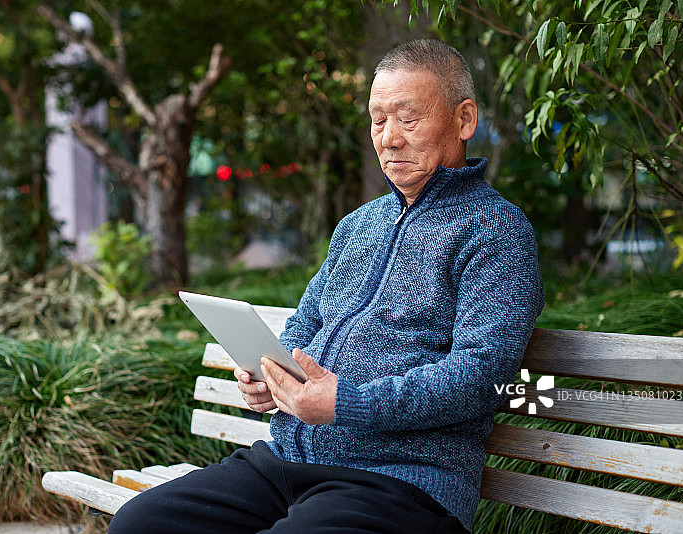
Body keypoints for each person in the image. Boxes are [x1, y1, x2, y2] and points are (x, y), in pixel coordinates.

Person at [109, 38, 544, 534]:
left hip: (398, 483)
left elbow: (482, 376)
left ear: (464, 120)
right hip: (285, 463)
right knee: (141, 525)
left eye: (408, 118)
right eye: (378, 120)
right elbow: (306, 325)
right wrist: (272, 373)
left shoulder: (497, 231)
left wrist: (347, 403)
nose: (389, 138)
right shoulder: (357, 226)